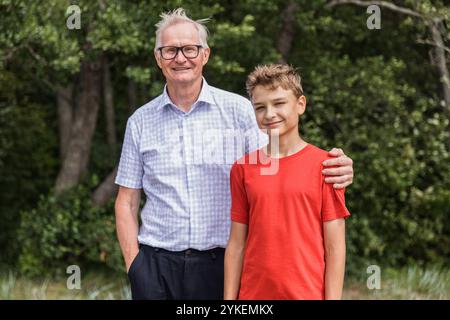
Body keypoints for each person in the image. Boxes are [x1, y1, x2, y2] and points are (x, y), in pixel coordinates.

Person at [114, 8, 354, 300]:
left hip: (220, 264)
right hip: (156, 266)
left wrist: (336, 165)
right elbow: (126, 201)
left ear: (205, 54)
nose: (180, 58)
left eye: (190, 48)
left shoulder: (241, 111)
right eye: (170, 50)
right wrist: (135, 265)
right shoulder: (140, 121)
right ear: (158, 57)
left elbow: (279, 165)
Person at [224, 64, 351, 300]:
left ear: (300, 104)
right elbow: (236, 245)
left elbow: (335, 247)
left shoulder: (327, 166)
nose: (269, 114)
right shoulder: (242, 169)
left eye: (279, 103)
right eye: (260, 107)